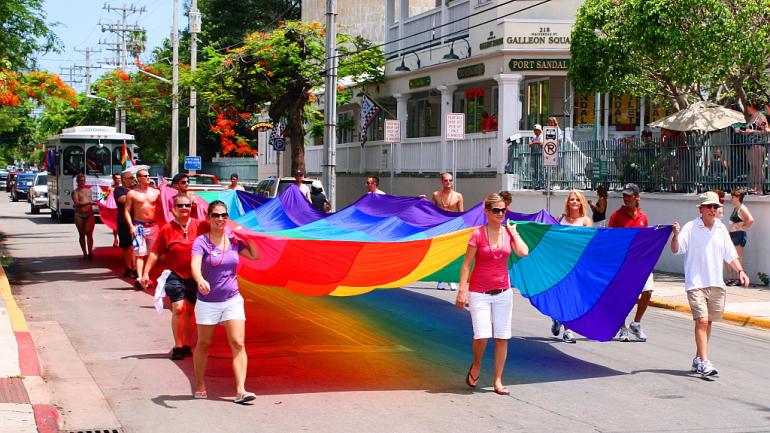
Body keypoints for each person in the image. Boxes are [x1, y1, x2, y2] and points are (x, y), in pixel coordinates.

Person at [455, 193, 529, 395]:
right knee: (481, 336)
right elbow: (466, 265)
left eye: (503, 210)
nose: (500, 213)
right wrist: (462, 290)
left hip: (503, 293)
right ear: (487, 211)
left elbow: (523, 252)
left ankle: (497, 380)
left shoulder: (507, 232)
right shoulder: (478, 234)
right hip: (479, 292)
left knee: (502, 337)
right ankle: (477, 365)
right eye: (496, 210)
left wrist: (515, 233)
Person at [671, 191, 749, 377]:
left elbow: (730, 254)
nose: (713, 210)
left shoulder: (721, 229)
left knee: (709, 322)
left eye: (716, 207)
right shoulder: (690, 228)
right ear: (701, 209)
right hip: (695, 283)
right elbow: (676, 250)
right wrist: (675, 235)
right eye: (709, 206)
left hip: (716, 283)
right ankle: (705, 362)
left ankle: (698, 359)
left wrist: (741, 271)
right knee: (702, 320)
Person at [191, 200, 259, 403]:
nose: (220, 219)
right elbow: (195, 265)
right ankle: (200, 384)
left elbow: (255, 255)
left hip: (232, 299)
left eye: (223, 216)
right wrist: (200, 279)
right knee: (204, 343)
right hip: (207, 301)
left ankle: (241, 390)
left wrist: (249, 236)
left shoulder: (234, 241)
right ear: (208, 218)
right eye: (216, 215)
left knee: (238, 342)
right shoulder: (201, 242)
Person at [142, 194, 210, 360]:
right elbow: (155, 252)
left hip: (196, 276)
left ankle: (187, 344)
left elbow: (218, 224)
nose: (184, 208)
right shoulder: (167, 229)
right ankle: (178, 345)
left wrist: (201, 204)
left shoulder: (201, 225)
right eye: (180, 205)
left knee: (191, 311)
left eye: (187, 205)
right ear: (173, 210)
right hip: (175, 275)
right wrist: (145, 273)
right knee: (179, 308)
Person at [609, 183, 653, 342]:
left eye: (629, 195)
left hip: (640, 262)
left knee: (647, 291)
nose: (626, 198)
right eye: (624, 195)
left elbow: (646, 238)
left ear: (637, 197)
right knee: (622, 296)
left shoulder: (643, 216)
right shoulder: (616, 215)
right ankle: (622, 328)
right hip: (623, 263)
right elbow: (611, 239)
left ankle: (636, 323)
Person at [550, 190, 592, 343]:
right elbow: (550, 237)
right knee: (562, 295)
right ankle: (562, 324)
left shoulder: (586, 221)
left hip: (576, 264)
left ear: (581, 203)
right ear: (567, 202)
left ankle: (563, 324)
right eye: (572, 199)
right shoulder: (560, 219)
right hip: (560, 263)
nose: (574, 202)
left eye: (577, 200)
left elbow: (588, 243)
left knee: (572, 296)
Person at [124, 168, 161, 290]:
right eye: (145, 175)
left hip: (153, 226)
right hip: (139, 226)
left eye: (149, 175)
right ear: (139, 178)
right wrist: (131, 226)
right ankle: (140, 278)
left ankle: (146, 275)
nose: (148, 177)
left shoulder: (156, 192)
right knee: (140, 254)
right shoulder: (132, 193)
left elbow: (166, 205)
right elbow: (126, 211)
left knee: (152, 253)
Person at [432, 172, 464, 290]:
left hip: (453, 228)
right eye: (446, 180)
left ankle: (450, 279)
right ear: (442, 182)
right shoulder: (436, 195)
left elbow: (462, 214)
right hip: (440, 228)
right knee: (440, 254)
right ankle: (441, 279)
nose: (449, 182)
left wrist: (461, 228)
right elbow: (431, 211)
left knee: (451, 254)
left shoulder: (458, 196)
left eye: (450, 180)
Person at [739, 102, 769, 194]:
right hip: (750, 145)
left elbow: (765, 132)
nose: (746, 108)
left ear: (752, 106)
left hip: (758, 144)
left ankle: (760, 188)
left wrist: (752, 131)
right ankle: (755, 187)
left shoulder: (760, 117)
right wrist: (744, 132)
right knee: (753, 167)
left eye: (747, 106)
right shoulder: (752, 117)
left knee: (758, 167)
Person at [725, 189, 754, 286]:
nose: (731, 198)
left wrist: (742, 227)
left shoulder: (742, 208)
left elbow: (750, 220)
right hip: (733, 235)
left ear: (738, 198)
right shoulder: (736, 208)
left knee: (737, 257)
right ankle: (730, 278)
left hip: (738, 235)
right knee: (728, 256)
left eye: (733, 197)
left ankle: (738, 279)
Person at [114, 171, 137, 278]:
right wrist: (136, 194)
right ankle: (129, 267)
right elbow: (123, 200)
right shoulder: (118, 190)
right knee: (126, 246)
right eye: (131, 178)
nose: (133, 179)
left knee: (135, 245)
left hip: (137, 221)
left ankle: (135, 268)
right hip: (123, 221)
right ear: (123, 179)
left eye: (133, 178)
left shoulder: (135, 190)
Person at [71, 174, 96, 259]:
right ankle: (85, 253)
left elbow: (92, 200)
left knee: (89, 234)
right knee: (82, 234)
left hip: (90, 214)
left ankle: (90, 252)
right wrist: (89, 203)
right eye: (80, 180)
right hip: (79, 215)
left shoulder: (89, 191)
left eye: (83, 180)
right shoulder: (75, 192)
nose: (82, 182)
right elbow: (77, 203)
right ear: (77, 181)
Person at [529, 124, 543, 189]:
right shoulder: (534, 137)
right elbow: (530, 143)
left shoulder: (542, 136)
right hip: (535, 155)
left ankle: (542, 183)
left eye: (536, 130)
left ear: (539, 130)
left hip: (541, 155)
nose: (535, 132)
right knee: (535, 170)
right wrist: (533, 142)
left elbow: (541, 142)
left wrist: (534, 143)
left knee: (541, 170)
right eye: (534, 130)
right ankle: (536, 183)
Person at [109, 173, 121, 247]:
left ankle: (120, 239)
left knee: (121, 225)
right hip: (113, 209)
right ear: (114, 179)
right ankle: (115, 239)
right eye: (117, 178)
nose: (118, 180)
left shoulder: (123, 187)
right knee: (114, 225)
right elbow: (106, 197)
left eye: (119, 178)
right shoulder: (111, 188)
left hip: (121, 208)